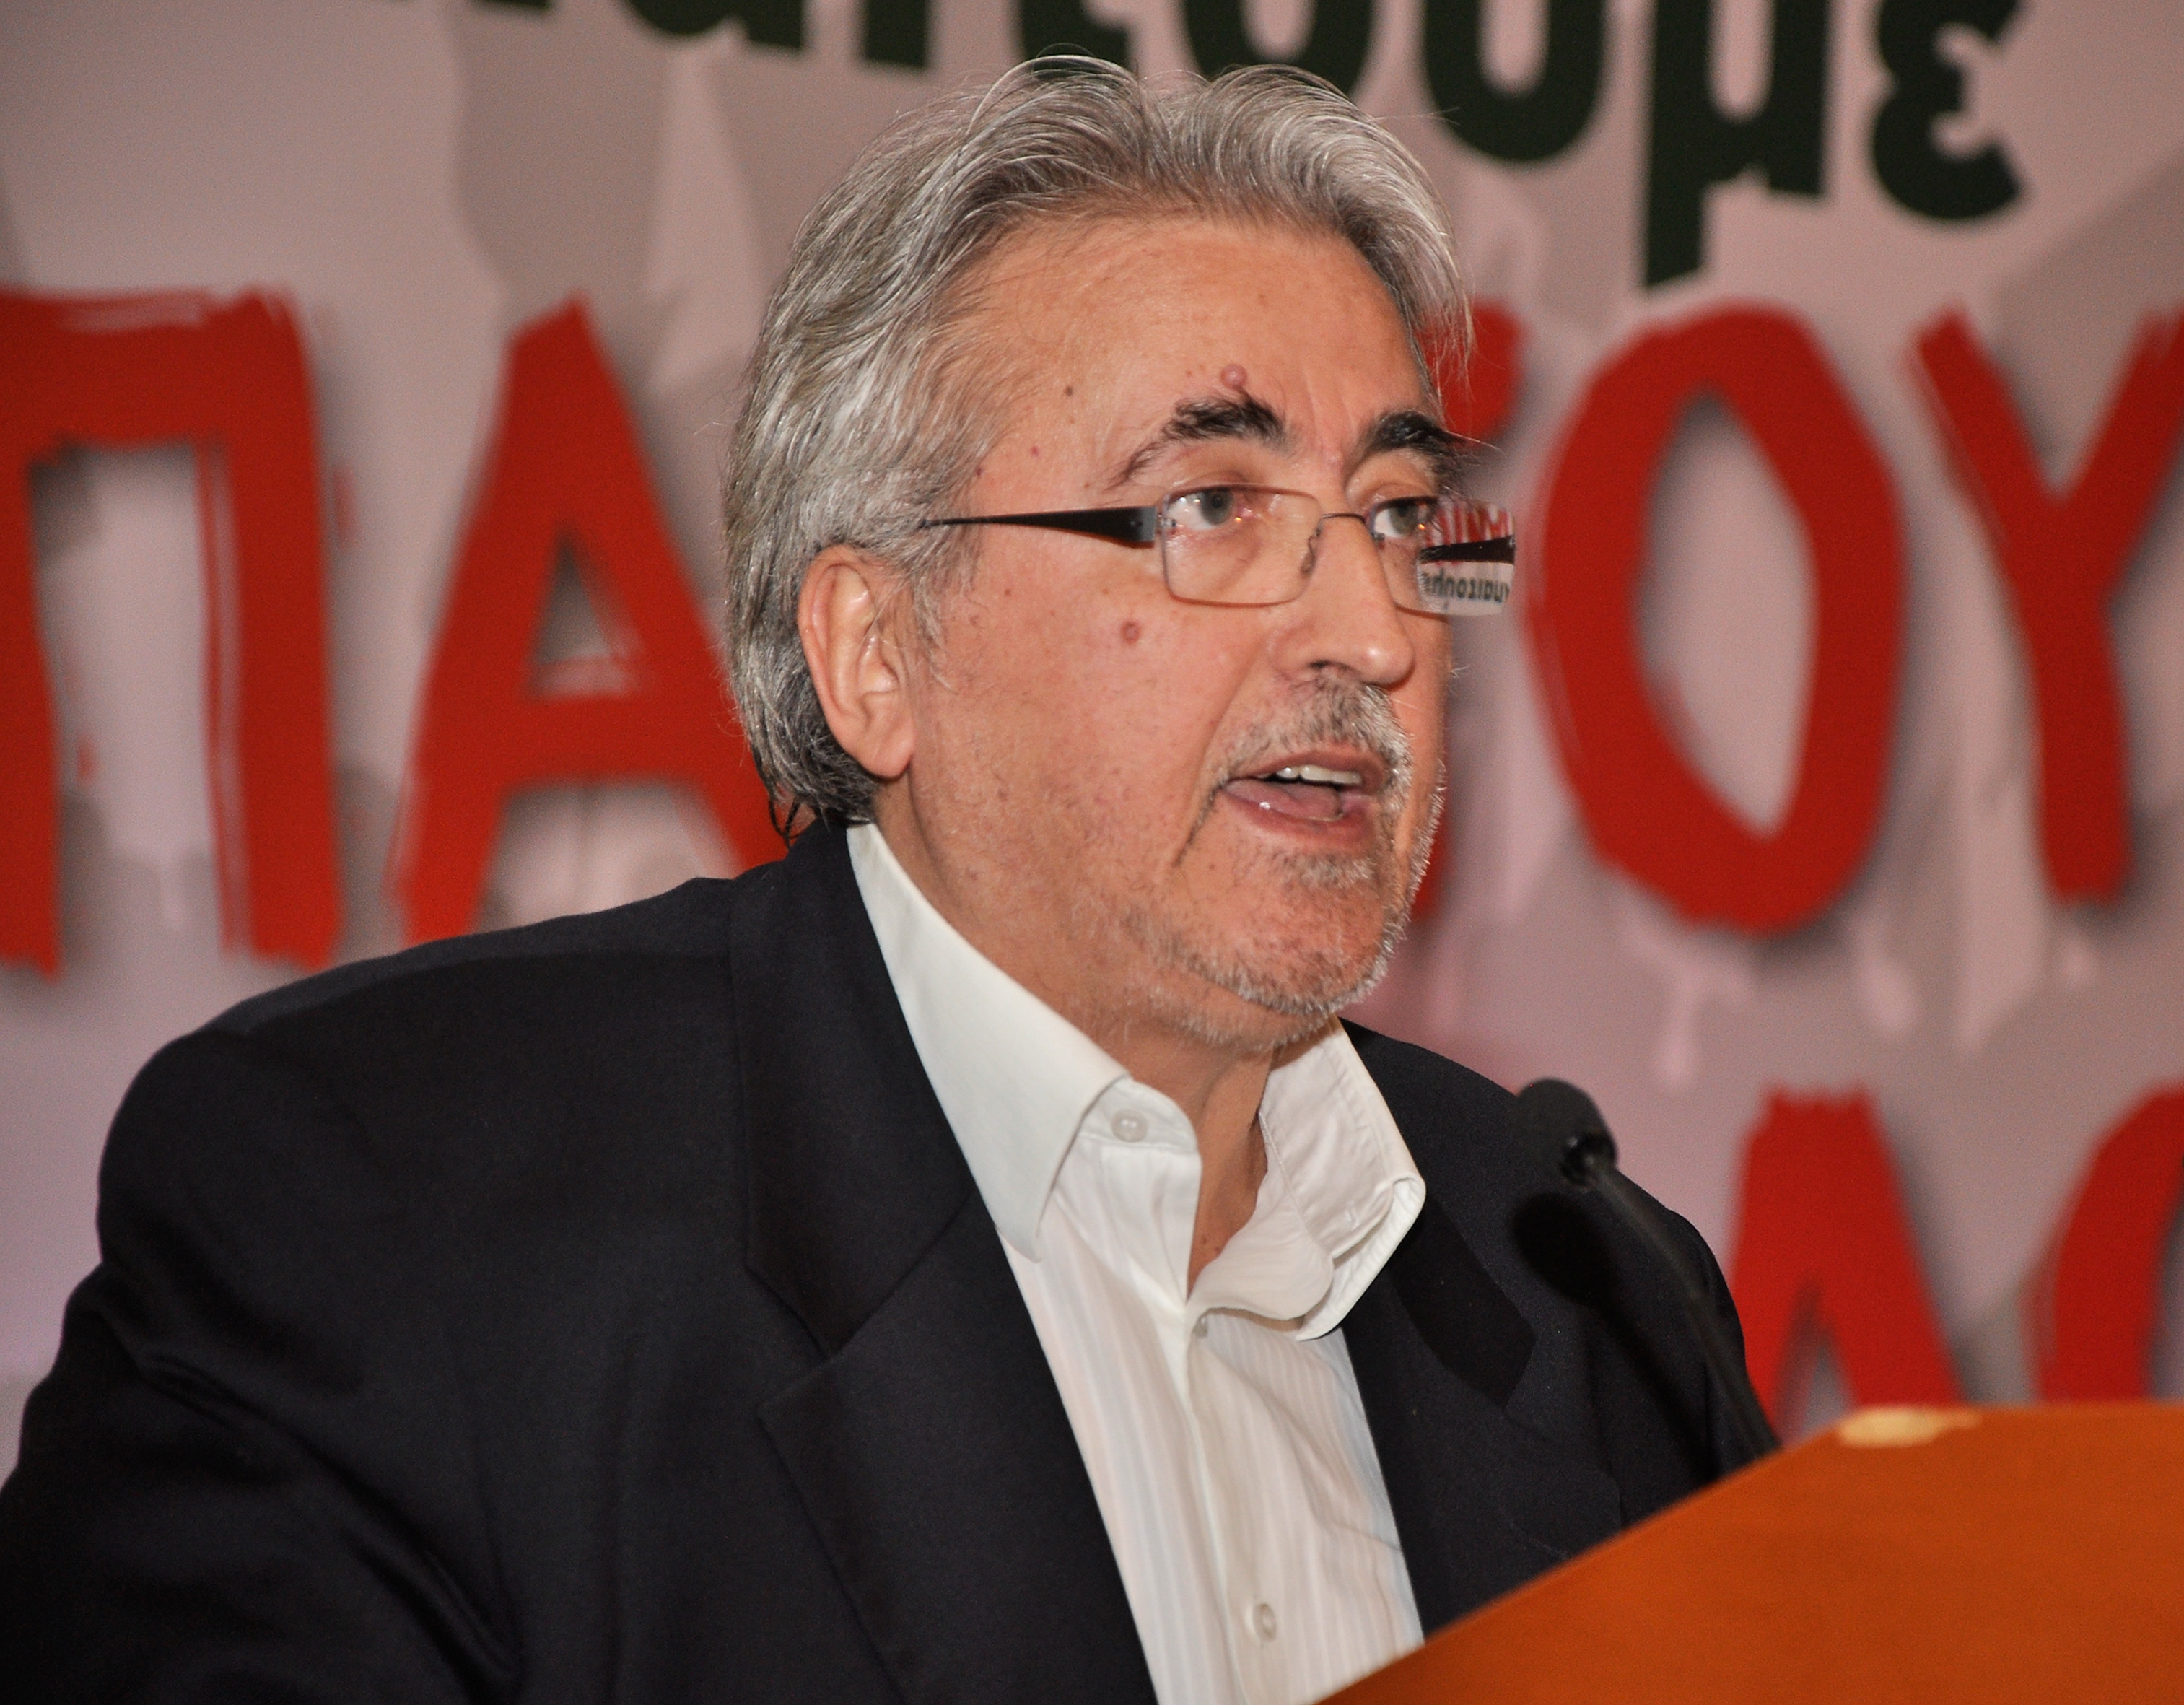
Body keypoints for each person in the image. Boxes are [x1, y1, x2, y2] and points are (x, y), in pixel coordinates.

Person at [0, 61, 1762, 1704]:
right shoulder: (383, 1217)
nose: (1374, 631)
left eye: (1394, 514)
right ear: (874, 653)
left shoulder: (1591, 1286)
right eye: (1211, 507)